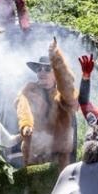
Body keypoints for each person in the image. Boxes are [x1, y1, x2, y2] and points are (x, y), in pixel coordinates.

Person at [16, 39, 80, 167]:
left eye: (47, 69)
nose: (42, 72)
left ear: (55, 74)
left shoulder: (61, 94)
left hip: (60, 156)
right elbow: (22, 107)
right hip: (35, 154)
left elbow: (69, 93)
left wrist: (57, 59)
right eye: (39, 69)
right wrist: (26, 125)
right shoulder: (29, 90)